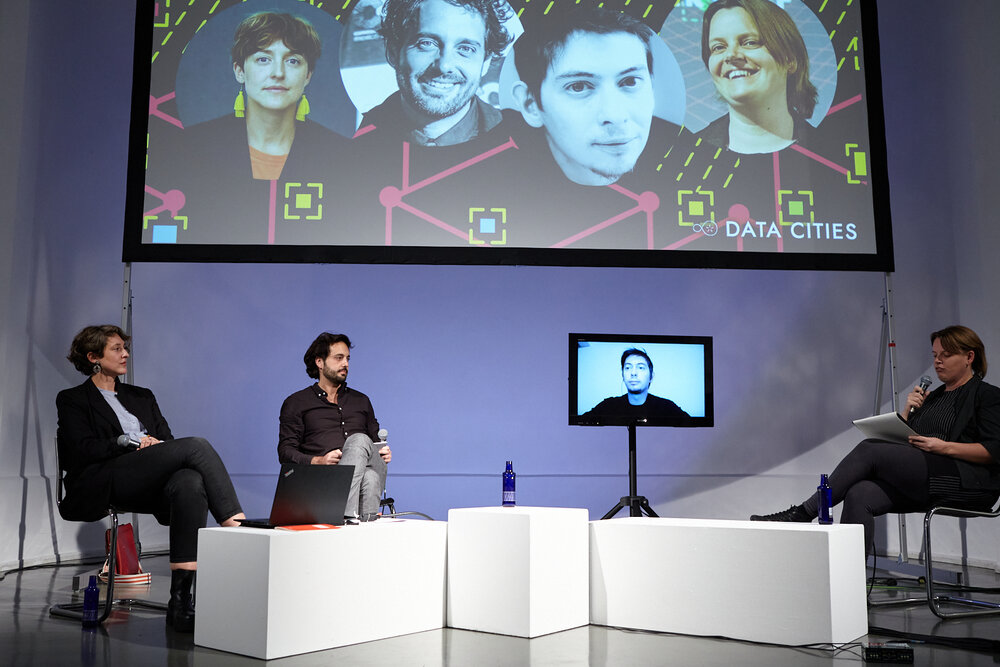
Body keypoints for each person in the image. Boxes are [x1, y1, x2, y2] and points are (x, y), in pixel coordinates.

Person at [56, 325, 246, 633]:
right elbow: (81, 449)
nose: (125, 353)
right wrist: (127, 442)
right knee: (197, 445)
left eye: (125, 347)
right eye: (116, 348)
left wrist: (155, 444)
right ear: (93, 356)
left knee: (189, 482)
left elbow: (170, 444)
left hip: (145, 479)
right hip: (105, 478)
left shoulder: (141, 396)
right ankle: (238, 530)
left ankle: (181, 603)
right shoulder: (73, 399)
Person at [751, 326, 1000, 556]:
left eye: (945, 355)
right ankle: (852, 586)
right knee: (860, 493)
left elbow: (994, 450)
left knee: (870, 450)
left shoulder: (987, 395)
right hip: (927, 475)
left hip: (968, 483)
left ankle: (804, 513)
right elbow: (910, 443)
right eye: (934, 354)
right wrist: (905, 415)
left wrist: (943, 446)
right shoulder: (932, 398)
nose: (937, 361)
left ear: (969, 357)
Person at [146, 11, 348, 244]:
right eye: (263, 59)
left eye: (293, 61)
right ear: (240, 71)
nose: (278, 73)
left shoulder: (340, 153)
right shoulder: (192, 146)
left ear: (308, 76)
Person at [509, 6, 673, 186]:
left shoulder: (684, 162)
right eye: (578, 87)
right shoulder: (497, 176)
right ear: (530, 105)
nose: (615, 116)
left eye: (630, 82)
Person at [361, 0, 515, 146]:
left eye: (465, 49)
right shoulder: (355, 141)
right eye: (426, 43)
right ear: (393, 52)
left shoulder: (516, 141)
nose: (444, 66)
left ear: (486, 61)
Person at [278, 333, 392, 520]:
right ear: (320, 362)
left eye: (347, 358)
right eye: (339, 358)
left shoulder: (361, 401)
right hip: (323, 482)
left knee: (360, 441)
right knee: (370, 478)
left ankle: (342, 516)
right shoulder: (297, 403)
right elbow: (285, 452)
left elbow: (374, 442)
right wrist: (318, 460)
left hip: (363, 468)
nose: (345, 363)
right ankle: (365, 522)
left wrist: (383, 451)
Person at [696, 0, 818, 154]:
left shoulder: (829, 149)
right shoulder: (687, 152)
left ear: (790, 59)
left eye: (749, 42)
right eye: (718, 47)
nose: (731, 55)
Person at [582, 348, 690, 422]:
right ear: (623, 375)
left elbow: (691, 423)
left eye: (640, 367)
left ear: (651, 376)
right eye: (628, 368)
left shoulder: (666, 407)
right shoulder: (608, 406)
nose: (633, 373)